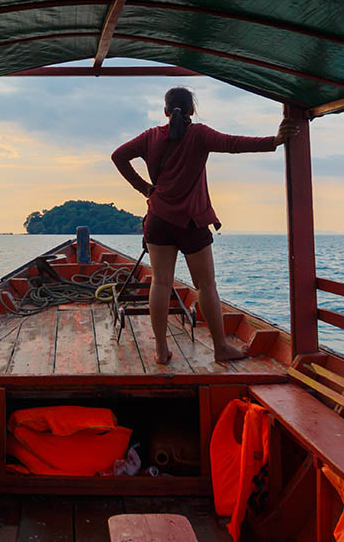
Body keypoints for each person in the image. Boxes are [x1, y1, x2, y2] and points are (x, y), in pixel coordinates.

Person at [111, 87, 298, 365]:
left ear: (165, 110)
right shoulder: (199, 134)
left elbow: (118, 156)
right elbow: (233, 143)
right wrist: (275, 140)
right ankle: (221, 347)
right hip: (192, 221)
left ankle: (161, 351)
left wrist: (145, 189)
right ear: (192, 111)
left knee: (160, 283)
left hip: (159, 219)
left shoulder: (151, 136)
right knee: (206, 285)